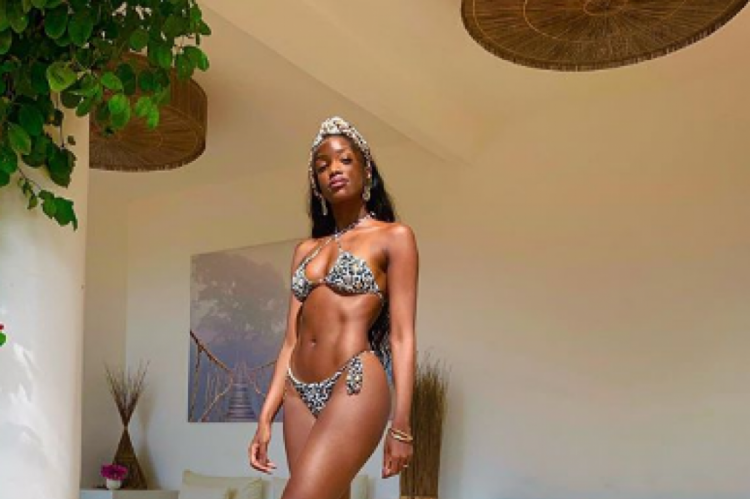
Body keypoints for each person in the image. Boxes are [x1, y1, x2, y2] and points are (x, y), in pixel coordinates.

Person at [248, 116, 419, 499]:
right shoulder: (305, 251)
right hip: (298, 392)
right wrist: (266, 414)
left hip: (354, 382)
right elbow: (290, 341)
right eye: (322, 166)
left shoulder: (394, 237)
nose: (334, 170)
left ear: (366, 170)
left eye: (345, 160)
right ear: (316, 183)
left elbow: (402, 336)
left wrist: (402, 424)